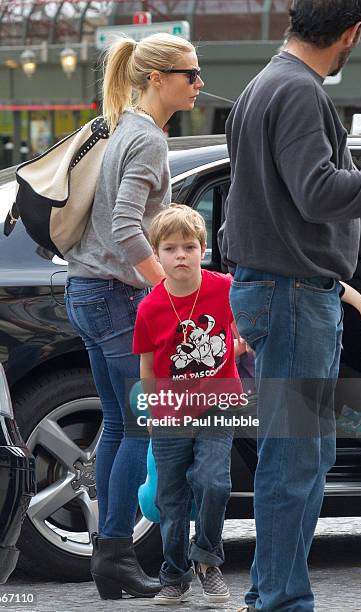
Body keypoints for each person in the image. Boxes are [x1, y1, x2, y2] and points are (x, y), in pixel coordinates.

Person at [219, 1, 361, 610]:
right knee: (296, 460)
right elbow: (316, 193)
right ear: (351, 32)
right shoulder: (298, 91)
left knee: (301, 456)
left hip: (282, 292)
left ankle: (271, 594)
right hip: (290, 296)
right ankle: (281, 602)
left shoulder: (265, 83)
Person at [64, 34, 203, 600]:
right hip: (114, 299)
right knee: (140, 427)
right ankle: (115, 554)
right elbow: (125, 225)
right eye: (189, 74)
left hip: (88, 291)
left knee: (123, 426)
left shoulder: (127, 128)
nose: (198, 82)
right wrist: (169, 290)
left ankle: (111, 559)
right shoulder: (145, 139)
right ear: (156, 79)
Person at [133, 204, 243, 605]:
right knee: (171, 498)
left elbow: (242, 324)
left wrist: (239, 337)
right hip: (168, 413)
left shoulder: (224, 288)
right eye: (170, 248)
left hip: (218, 405)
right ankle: (174, 575)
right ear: (157, 254)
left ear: (202, 250)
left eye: (190, 246)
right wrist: (148, 408)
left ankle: (208, 561)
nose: (181, 255)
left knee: (214, 482)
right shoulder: (150, 307)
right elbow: (147, 365)